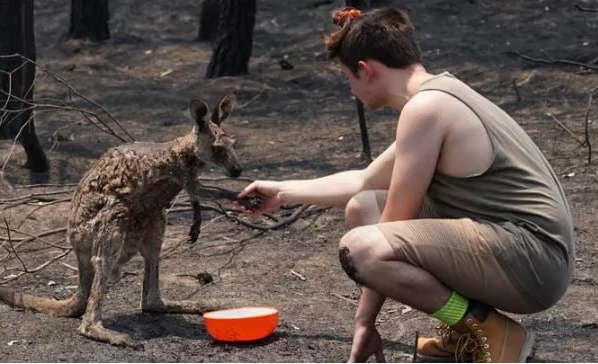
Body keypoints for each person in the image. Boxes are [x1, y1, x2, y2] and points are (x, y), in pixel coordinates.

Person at [235, 7, 574, 363]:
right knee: (364, 207)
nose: (351, 90)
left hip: (533, 263)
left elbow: (389, 230)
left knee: (361, 248)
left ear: (365, 70)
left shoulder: (426, 110)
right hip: (525, 251)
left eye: (348, 78)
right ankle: (466, 332)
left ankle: (490, 330)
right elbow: (364, 182)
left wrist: (363, 320)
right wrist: (283, 192)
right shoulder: (439, 95)